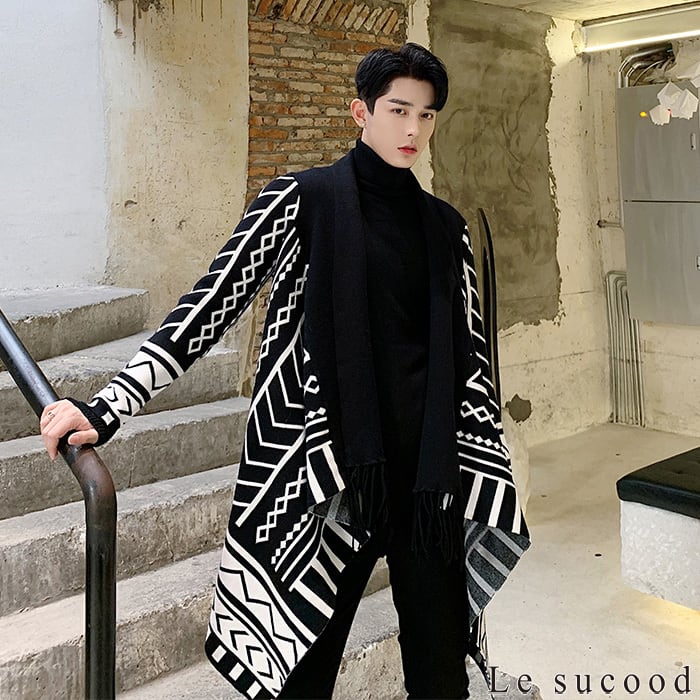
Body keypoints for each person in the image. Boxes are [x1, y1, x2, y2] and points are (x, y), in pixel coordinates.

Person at [40, 43, 529, 699]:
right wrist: (108, 407)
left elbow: (470, 358)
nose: (413, 129)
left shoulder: (447, 228)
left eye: (426, 115)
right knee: (302, 679)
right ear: (361, 111)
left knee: (442, 680)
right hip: (328, 481)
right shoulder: (300, 200)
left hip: (429, 485)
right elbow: (209, 307)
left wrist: (482, 465)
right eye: (398, 110)